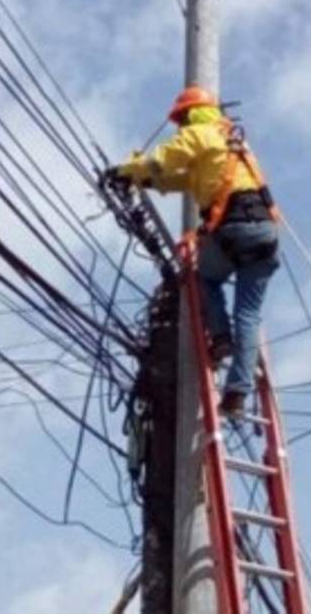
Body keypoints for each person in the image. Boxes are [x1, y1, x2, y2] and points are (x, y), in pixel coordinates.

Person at [110, 86, 279, 419]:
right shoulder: (233, 144)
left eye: (183, 119)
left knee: (206, 278)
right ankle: (236, 395)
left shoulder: (199, 134)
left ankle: (220, 338)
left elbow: (162, 160)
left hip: (232, 229)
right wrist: (144, 183)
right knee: (248, 316)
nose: (181, 126)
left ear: (190, 114)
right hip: (265, 234)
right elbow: (179, 178)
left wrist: (125, 170)